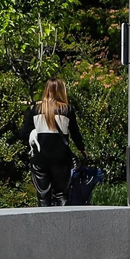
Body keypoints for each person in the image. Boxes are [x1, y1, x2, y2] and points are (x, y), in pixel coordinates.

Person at [25, 79, 88, 207]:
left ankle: (44, 225)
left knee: (43, 196)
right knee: (62, 195)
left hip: (40, 158)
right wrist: (82, 149)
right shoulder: (67, 110)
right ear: (61, 91)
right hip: (61, 159)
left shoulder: (36, 109)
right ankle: (62, 224)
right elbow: (75, 134)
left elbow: (23, 133)